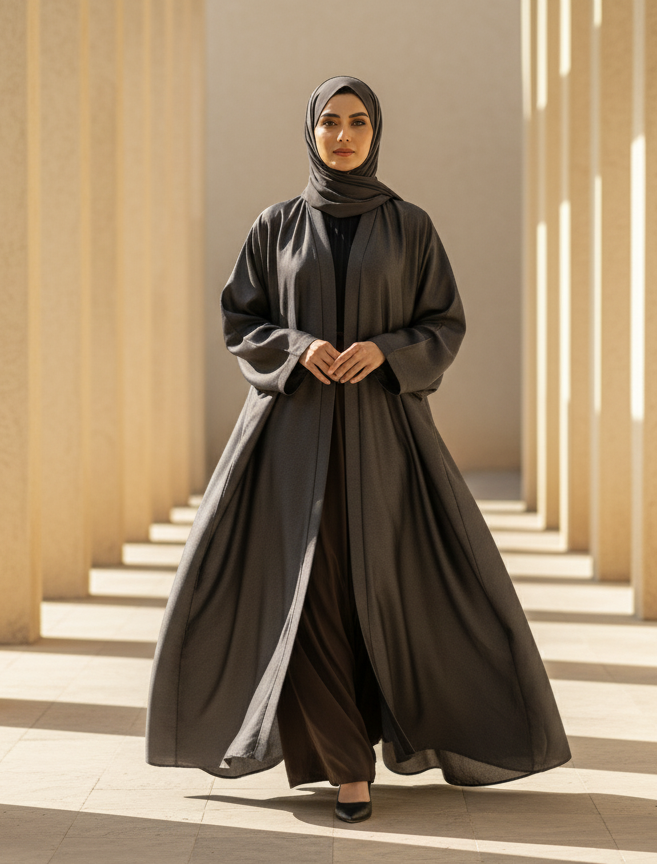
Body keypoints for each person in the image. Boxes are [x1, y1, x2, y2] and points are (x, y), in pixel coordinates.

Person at [145, 75, 571, 826]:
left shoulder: (411, 227)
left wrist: (386, 350)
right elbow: (240, 317)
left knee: (373, 589)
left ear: (377, 134)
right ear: (311, 131)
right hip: (287, 444)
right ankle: (348, 768)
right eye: (331, 123)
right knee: (302, 593)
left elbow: (444, 323)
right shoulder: (275, 225)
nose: (343, 136)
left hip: (384, 440)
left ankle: (374, 746)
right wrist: (299, 346)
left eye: (359, 123)